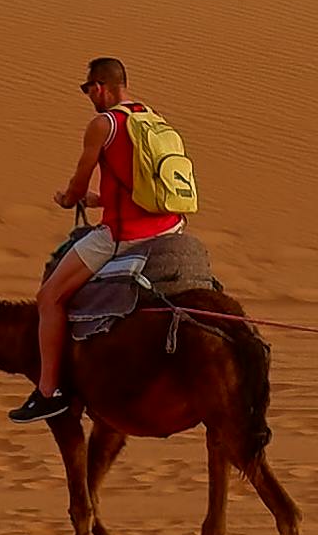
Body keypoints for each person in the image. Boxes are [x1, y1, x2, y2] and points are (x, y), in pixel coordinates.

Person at [16, 56, 198, 424]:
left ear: (100, 87)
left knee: (49, 297)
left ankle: (48, 391)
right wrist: (100, 200)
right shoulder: (151, 118)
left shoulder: (104, 125)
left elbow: (79, 180)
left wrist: (69, 199)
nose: (88, 96)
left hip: (125, 235)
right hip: (170, 225)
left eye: (87, 89)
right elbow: (145, 183)